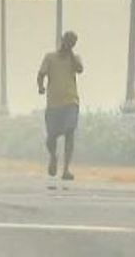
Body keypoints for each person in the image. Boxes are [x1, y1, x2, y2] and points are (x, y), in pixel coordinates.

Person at [37, 30, 84, 181]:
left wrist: (70, 54)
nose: (68, 45)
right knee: (51, 137)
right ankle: (53, 156)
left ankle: (66, 170)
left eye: (72, 43)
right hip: (53, 104)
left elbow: (80, 70)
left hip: (71, 102)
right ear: (62, 40)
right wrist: (41, 87)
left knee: (70, 132)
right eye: (67, 41)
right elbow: (41, 74)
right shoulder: (50, 58)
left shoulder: (74, 59)